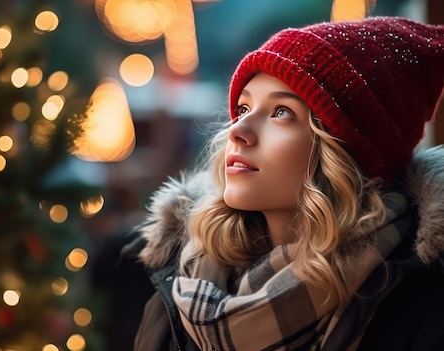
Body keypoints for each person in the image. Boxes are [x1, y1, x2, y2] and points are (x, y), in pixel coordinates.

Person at [122, 16, 444, 351]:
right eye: (244, 107)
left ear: (346, 153)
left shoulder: (423, 309)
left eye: (280, 112)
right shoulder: (174, 286)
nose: (237, 130)